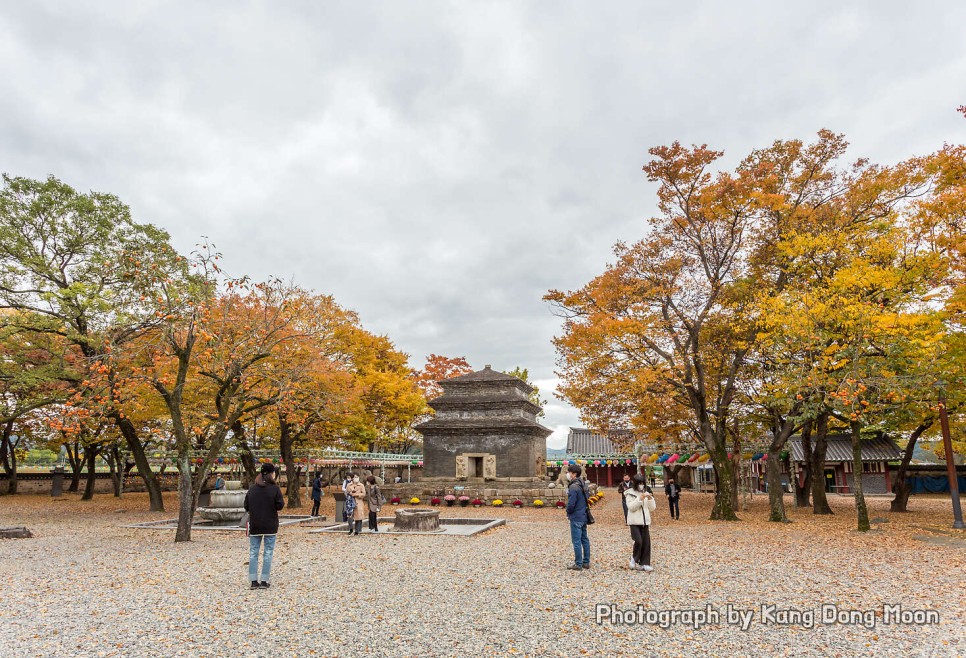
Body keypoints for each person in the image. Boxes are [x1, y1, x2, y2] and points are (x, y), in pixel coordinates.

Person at [244, 463, 284, 589]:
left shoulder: (252, 489)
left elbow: (246, 506)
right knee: (268, 552)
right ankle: (264, 580)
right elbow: (280, 505)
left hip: (255, 524)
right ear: (272, 474)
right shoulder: (274, 489)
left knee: (253, 552)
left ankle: (253, 580)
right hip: (270, 525)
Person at [624, 474, 657, 571]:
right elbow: (631, 507)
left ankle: (645, 563)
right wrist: (639, 499)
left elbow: (652, 508)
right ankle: (634, 559)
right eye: (639, 483)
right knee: (638, 541)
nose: (641, 485)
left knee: (646, 543)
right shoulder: (629, 493)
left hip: (645, 521)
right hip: (634, 521)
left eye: (642, 483)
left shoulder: (646, 492)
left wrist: (650, 499)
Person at [565, 464, 591, 571]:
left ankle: (578, 563)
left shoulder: (573, 486)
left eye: (570, 472)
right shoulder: (583, 484)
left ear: (574, 474)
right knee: (584, 539)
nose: (568, 474)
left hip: (576, 516)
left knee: (576, 541)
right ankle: (586, 562)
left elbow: (571, 503)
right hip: (584, 514)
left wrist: (568, 511)